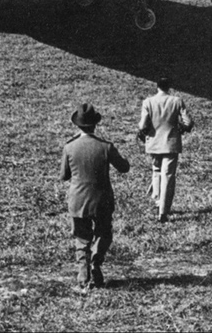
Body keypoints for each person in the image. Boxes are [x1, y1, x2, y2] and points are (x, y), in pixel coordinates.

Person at [60, 103, 130, 290]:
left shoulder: (70, 147)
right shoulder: (106, 147)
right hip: (102, 200)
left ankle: (83, 274)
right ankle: (96, 262)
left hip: (78, 200)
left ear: (78, 125)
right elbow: (124, 167)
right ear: (95, 124)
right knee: (103, 233)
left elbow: (64, 175)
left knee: (82, 237)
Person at [137, 77, 194, 223]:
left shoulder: (148, 102)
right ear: (169, 87)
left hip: (153, 143)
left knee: (156, 171)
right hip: (171, 143)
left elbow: (143, 125)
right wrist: (182, 128)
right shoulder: (177, 101)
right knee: (168, 175)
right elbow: (188, 122)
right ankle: (164, 210)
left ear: (157, 86)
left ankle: (157, 201)